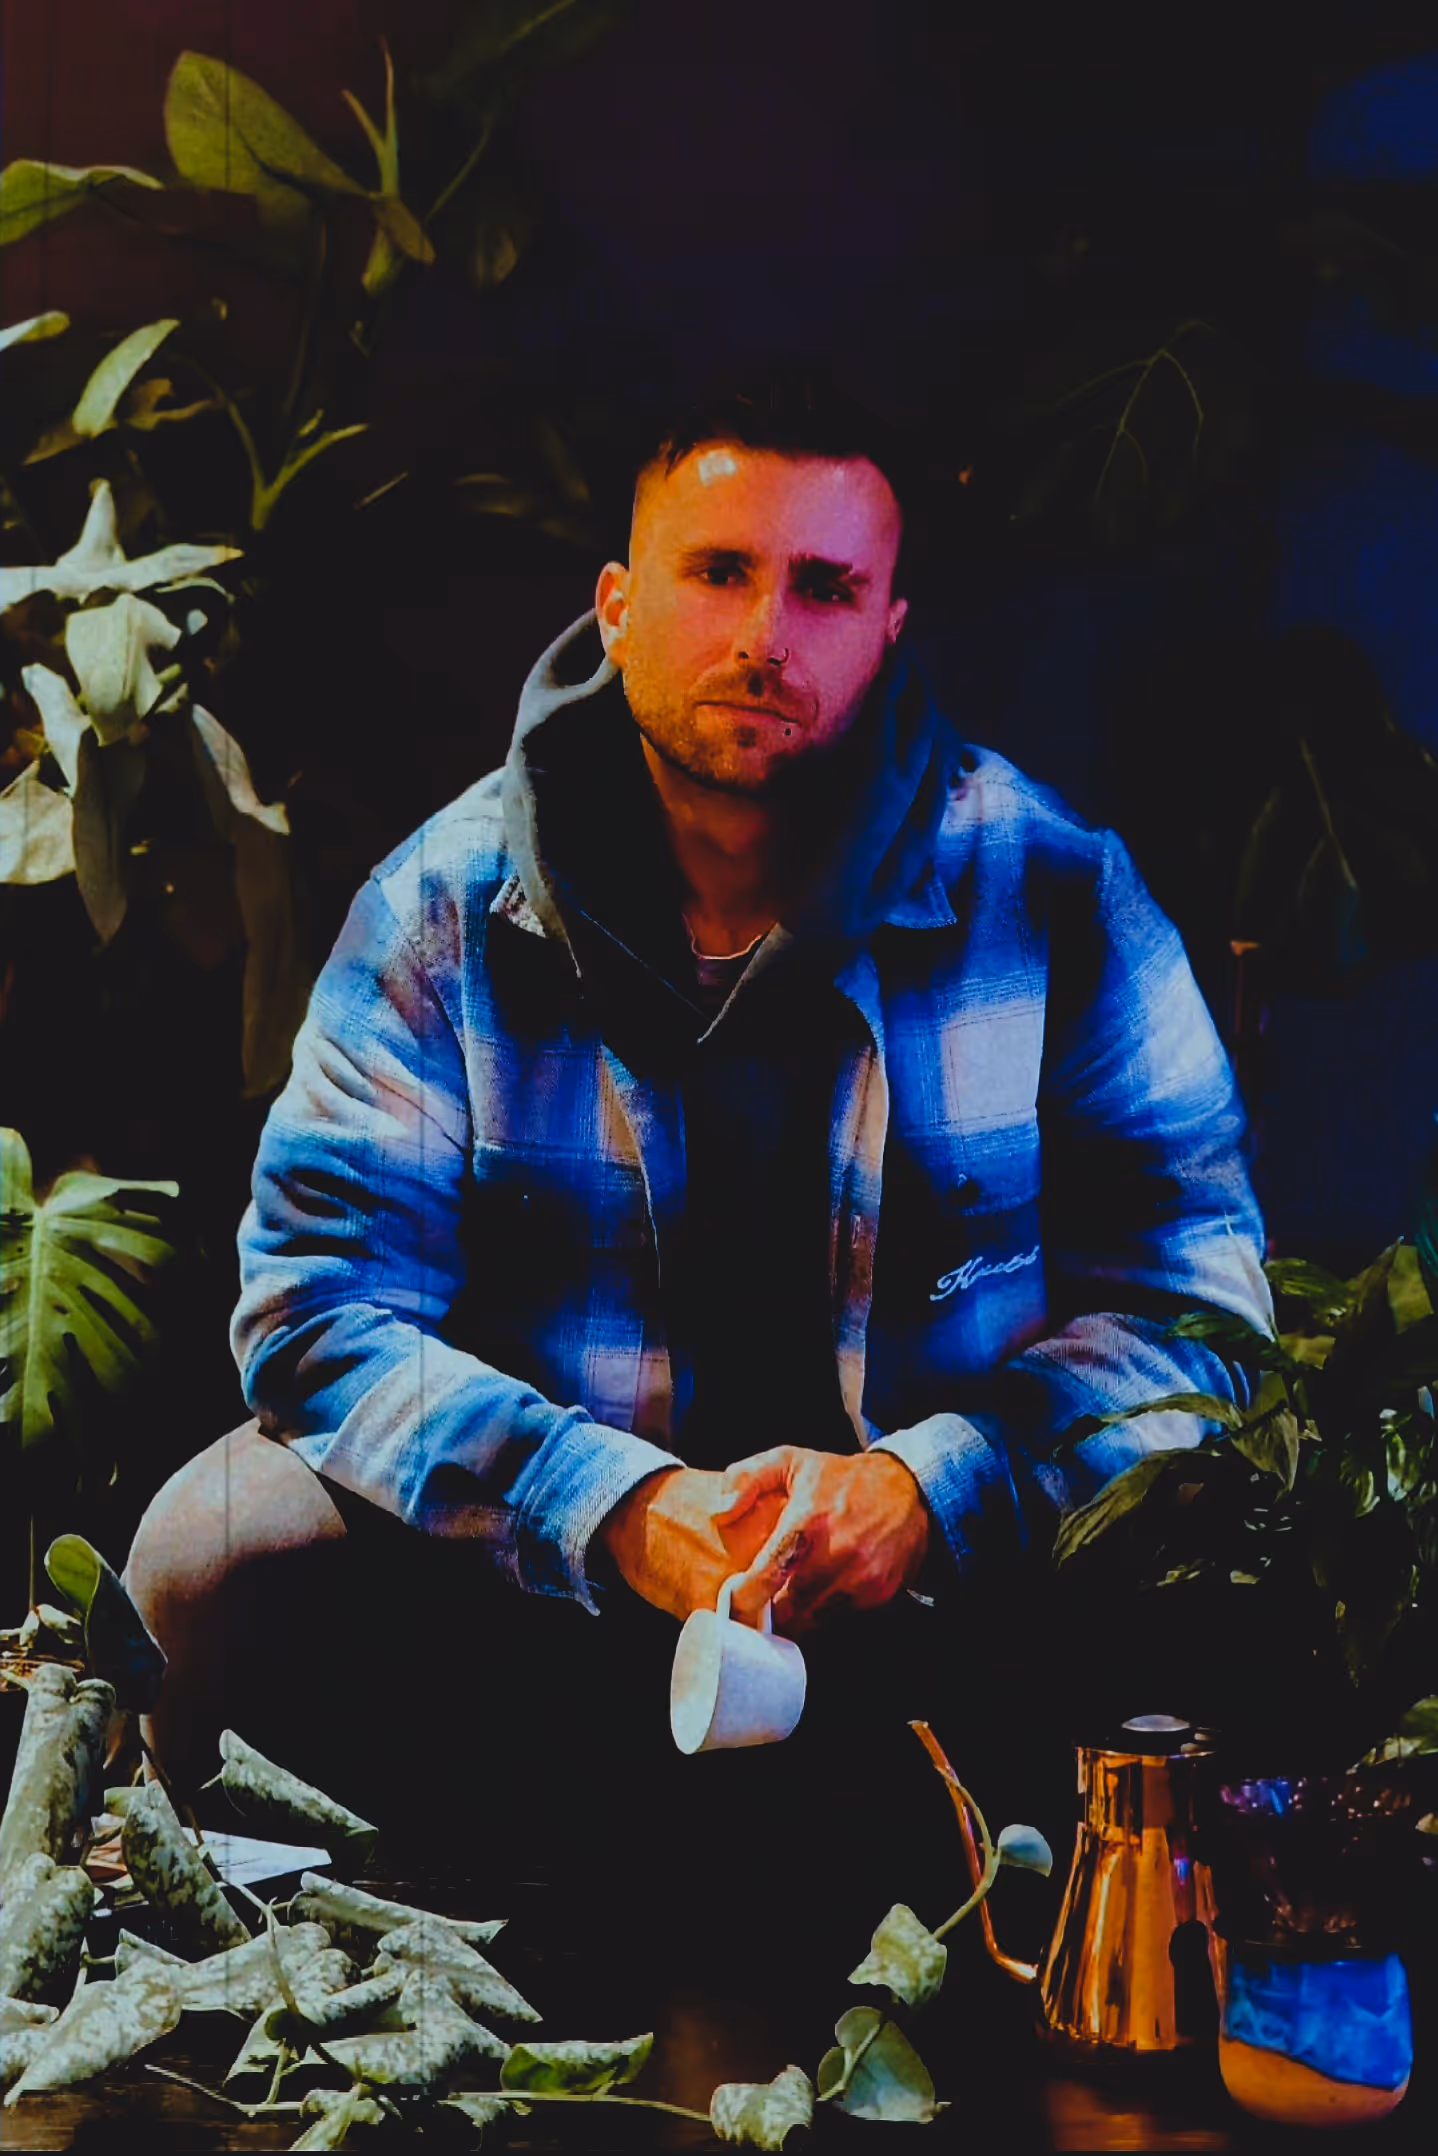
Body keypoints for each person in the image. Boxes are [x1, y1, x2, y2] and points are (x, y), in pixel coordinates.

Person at [124, 368, 1270, 1895]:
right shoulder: (445, 906)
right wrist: (609, 1503)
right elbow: (316, 1310)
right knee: (213, 1547)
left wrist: (933, 1485)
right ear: (615, 603)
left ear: (888, 627)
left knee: (1220, 1551)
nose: (761, 637)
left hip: (936, 1598)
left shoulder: (1054, 892)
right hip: (546, 1592)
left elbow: (1198, 1309)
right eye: (717, 572)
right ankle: (487, 1902)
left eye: (822, 589)